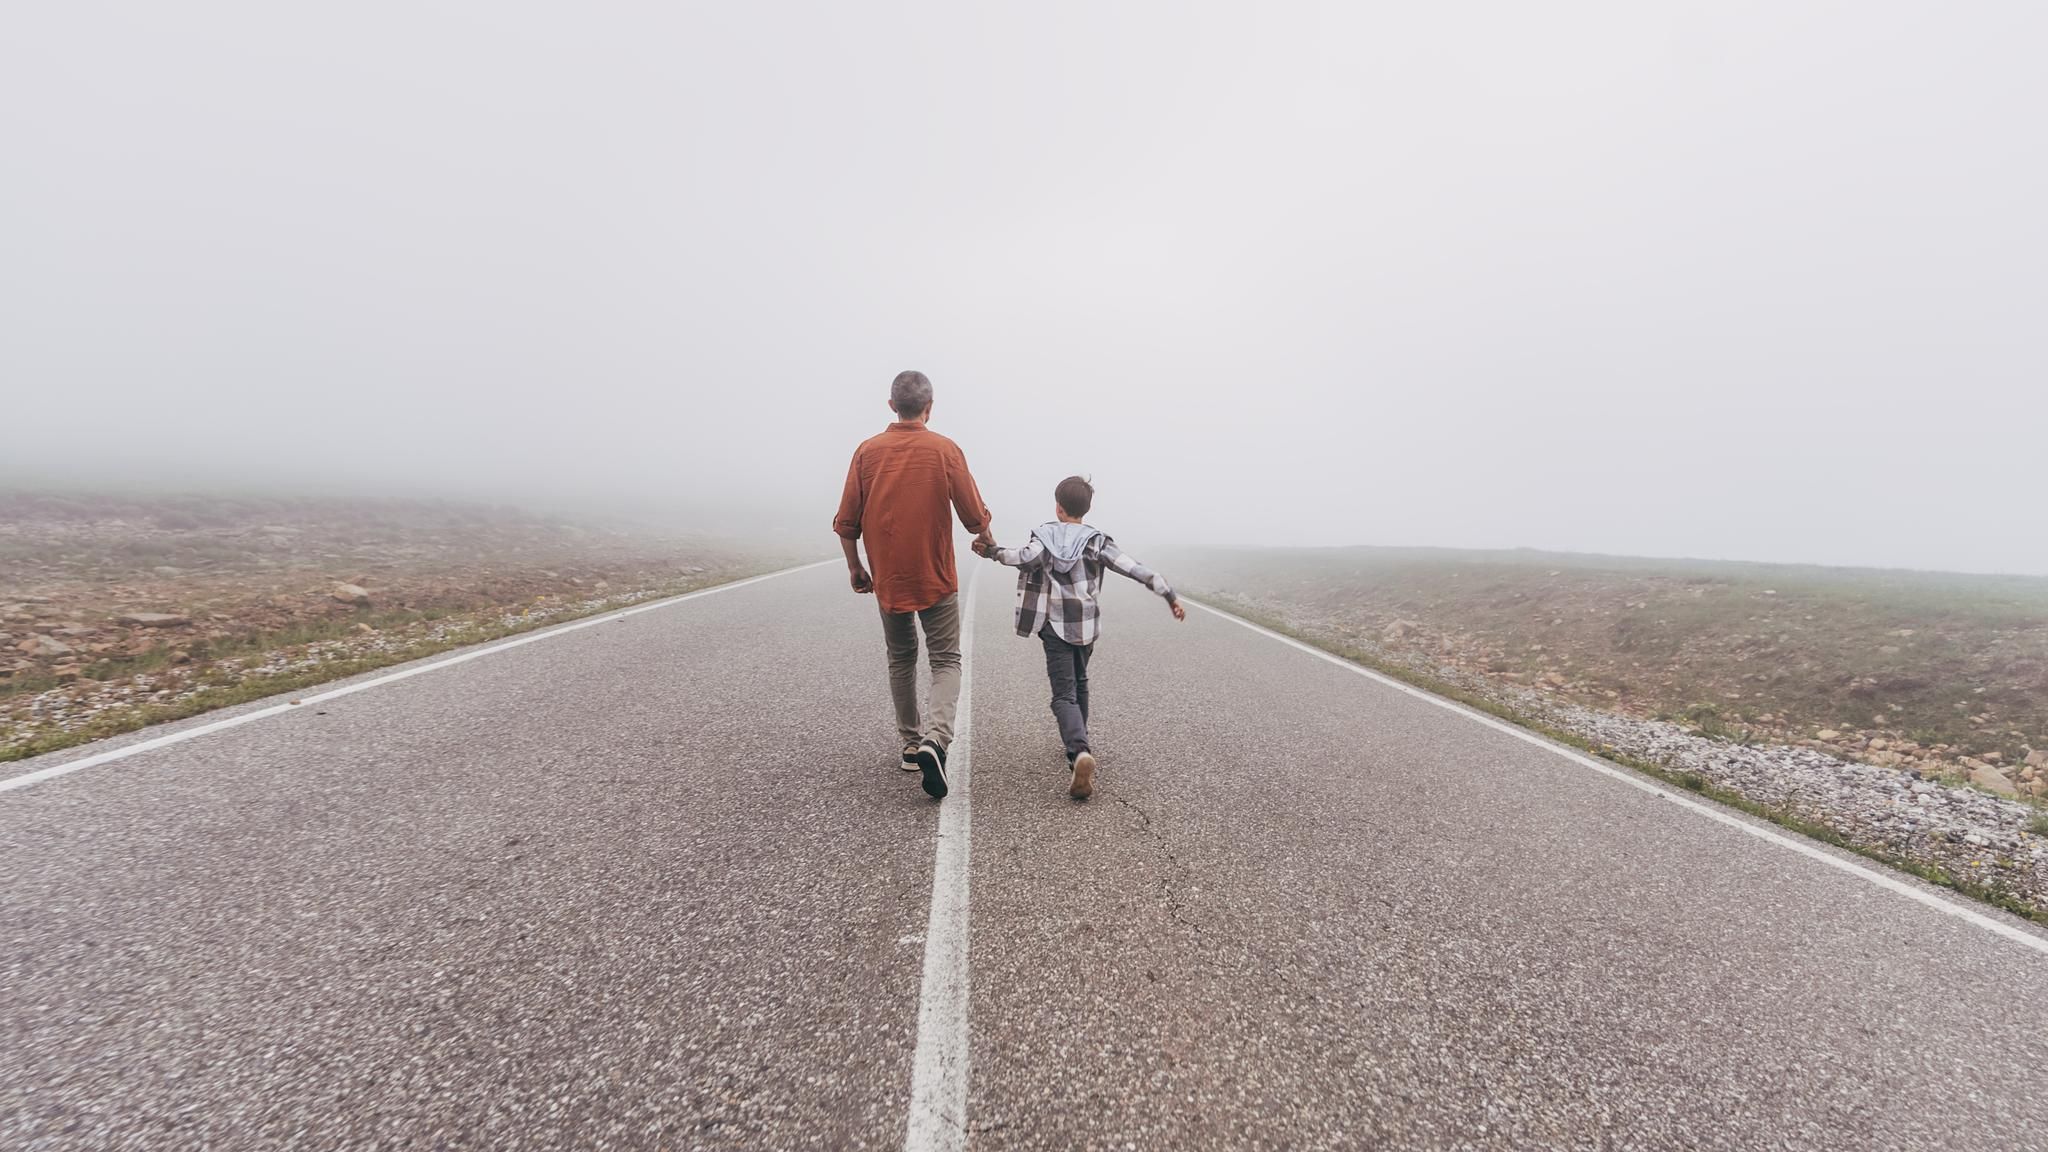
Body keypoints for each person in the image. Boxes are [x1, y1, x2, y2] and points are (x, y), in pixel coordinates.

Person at [834, 370, 994, 800]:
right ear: (930, 406)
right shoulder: (944, 450)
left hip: (888, 576)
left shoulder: (867, 452)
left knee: (901, 658)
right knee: (945, 659)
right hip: (935, 574)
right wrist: (987, 539)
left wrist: (856, 567)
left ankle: (910, 743)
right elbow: (973, 514)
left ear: (891, 406)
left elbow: (847, 520)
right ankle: (935, 739)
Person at [972, 475, 1183, 799]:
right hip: (1085, 625)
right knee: (1080, 681)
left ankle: (1078, 751)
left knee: (1063, 695)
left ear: (1058, 507)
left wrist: (992, 552)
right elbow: (1132, 567)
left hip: (1053, 625)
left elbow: (1024, 559)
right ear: (1086, 509)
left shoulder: (1044, 536)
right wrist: (1168, 595)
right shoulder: (1096, 540)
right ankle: (1079, 739)